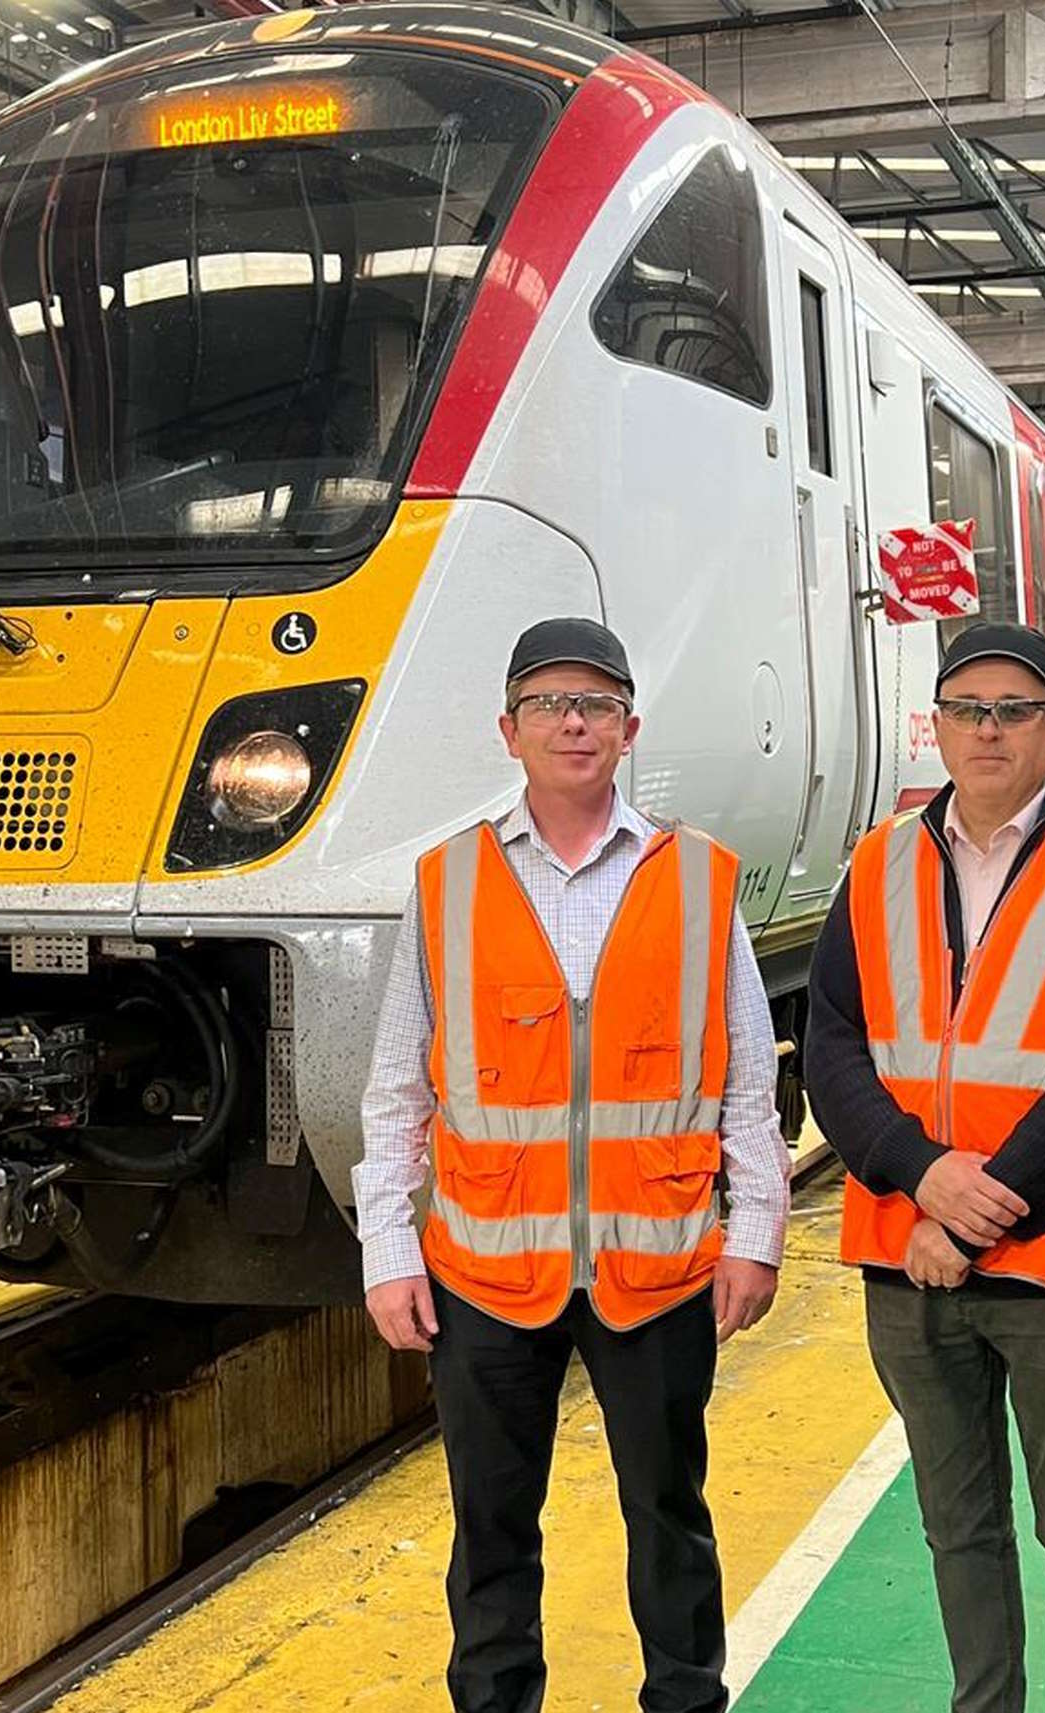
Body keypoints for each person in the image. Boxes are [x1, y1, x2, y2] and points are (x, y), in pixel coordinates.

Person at [354, 616, 791, 1713]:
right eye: (548, 703)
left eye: (594, 704)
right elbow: (398, 1088)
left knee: (670, 1518)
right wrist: (386, 1251)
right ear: (508, 730)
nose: (572, 723)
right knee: (490, 1530)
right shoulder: (446, 882)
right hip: (485, 1274)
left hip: (658, 1274)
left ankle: (685, 1699)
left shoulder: (696, 879)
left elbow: (744, 1080)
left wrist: (755, 1235)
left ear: (629, 728)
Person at [803, 620, 1045, 1713]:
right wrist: (918, 1175)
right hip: (905, 1258)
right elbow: (832, 1046)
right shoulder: (874, 863)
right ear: (935, 723)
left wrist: (961, 1218)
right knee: (955, 1529)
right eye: (967, 708)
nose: (988, 730)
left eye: (1015, 710)